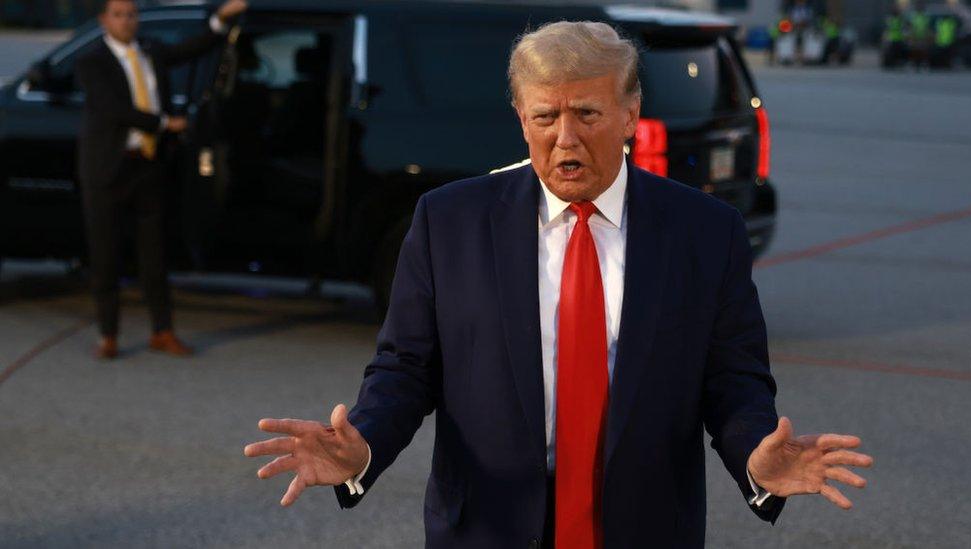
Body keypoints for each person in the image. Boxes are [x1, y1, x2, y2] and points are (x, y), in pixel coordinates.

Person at [244, 22, 874, 548]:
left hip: (644, 530)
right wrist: (364, 446)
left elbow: (733, 382)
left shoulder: (707, 232)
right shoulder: (449, 221)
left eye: (587, 114)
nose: (564, 138)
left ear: (630, 115)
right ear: (521, 117)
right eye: (545, 115)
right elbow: (406, 367)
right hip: (487, 528)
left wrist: (755, 457)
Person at [75, 0, 248, 359]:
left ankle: (163, 330)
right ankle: (108, 334)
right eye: (119, 15)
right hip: (108, 170)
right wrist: (165, 124)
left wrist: (220, 19)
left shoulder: (150, 51)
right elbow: (114, 109)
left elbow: (191, 49)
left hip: (149, 167)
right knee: (105, 255)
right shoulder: (92, 61)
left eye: (132, 14)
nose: (127, 21)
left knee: (154, 254)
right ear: (104, 20)